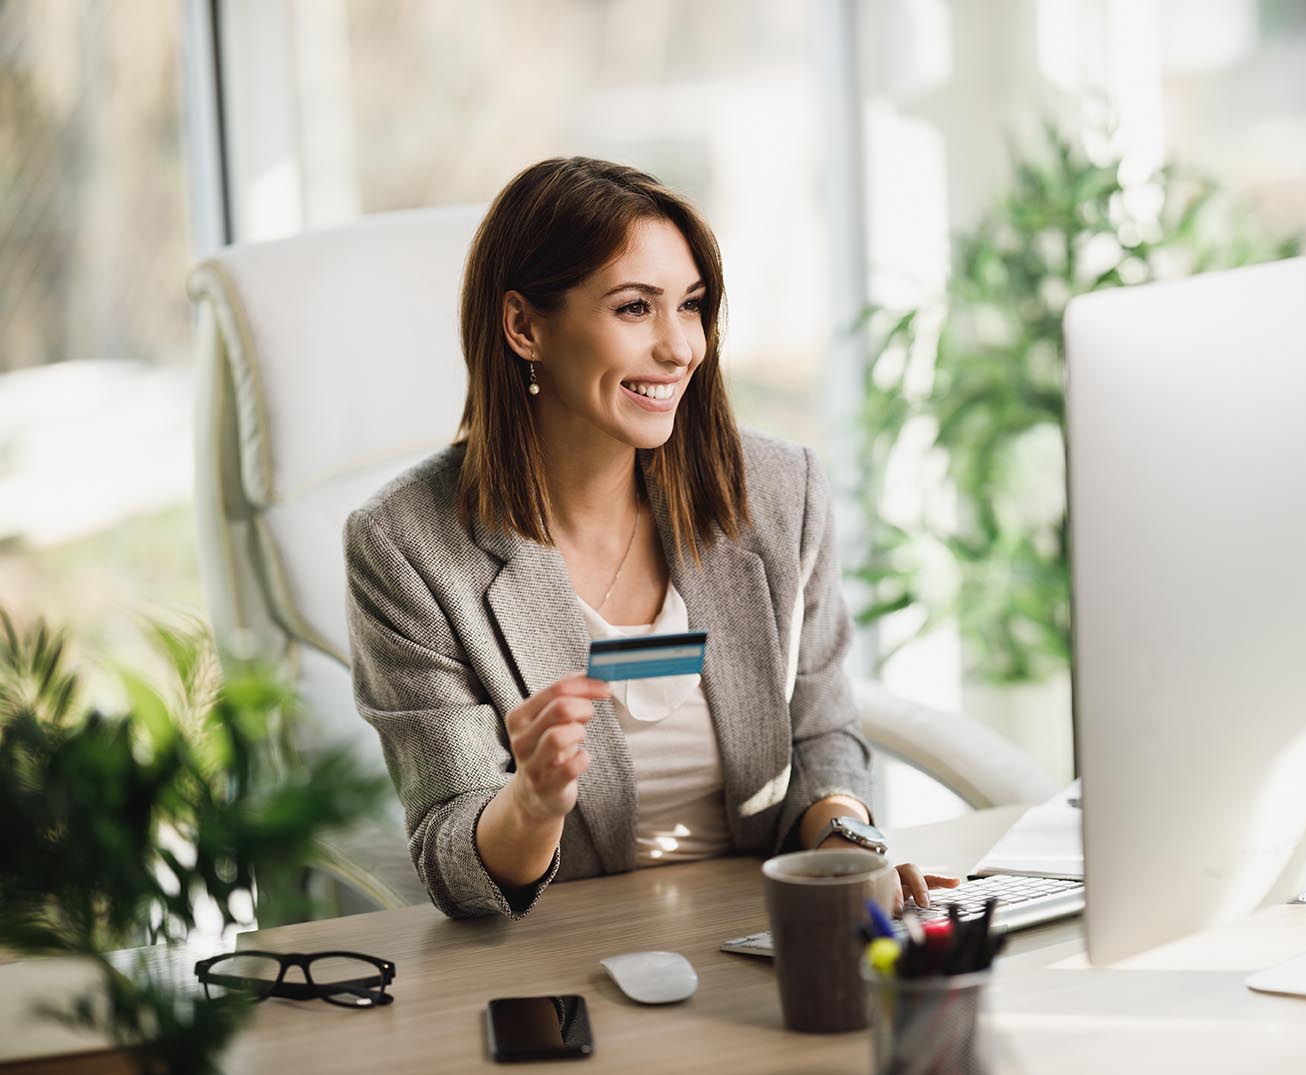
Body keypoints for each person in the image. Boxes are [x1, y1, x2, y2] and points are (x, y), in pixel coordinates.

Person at [344, 157, 958, 919]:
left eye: (691, 306)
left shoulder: (778, 491)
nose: (680, 348)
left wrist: (845, 853)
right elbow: (454, 858)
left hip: (769, 933)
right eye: (636, 308)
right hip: (561, 960)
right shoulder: (407, 546)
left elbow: (822, 739)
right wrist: (531, 803)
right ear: (524, 326)